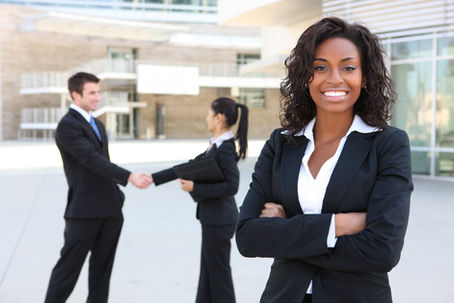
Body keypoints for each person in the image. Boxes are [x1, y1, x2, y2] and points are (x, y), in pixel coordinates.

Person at [235, 17, 413, 303]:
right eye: (320, 67)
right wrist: (338, 225)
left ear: (364, 76)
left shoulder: (388, 144)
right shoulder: (281, 143)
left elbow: (383, 250)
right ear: (306, 76)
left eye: (348, 67)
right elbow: (247, 237)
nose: (334, 79)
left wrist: (288, 230)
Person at [44, 72, 153, 303]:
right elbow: (92, 160)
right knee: (68, 270)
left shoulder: (98, 124)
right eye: (92, 93)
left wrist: (117, 195)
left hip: (110, 210)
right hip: (84, 211)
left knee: (102, 272)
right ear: (76, 95)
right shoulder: (67, 126)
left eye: (98, 92)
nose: (97, 97)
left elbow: (104, 162)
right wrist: (130, 176)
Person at [151, 97, 248, 303]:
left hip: (219, 220)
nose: (206, 119)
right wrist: (154, 178)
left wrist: (196, 187)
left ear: (219, 118)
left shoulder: (226, 148)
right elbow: (190, 166)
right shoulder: (217, 145)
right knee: (208, 272)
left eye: (208, 115)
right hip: (213, 219)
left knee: (218, 274)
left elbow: (232, 186)